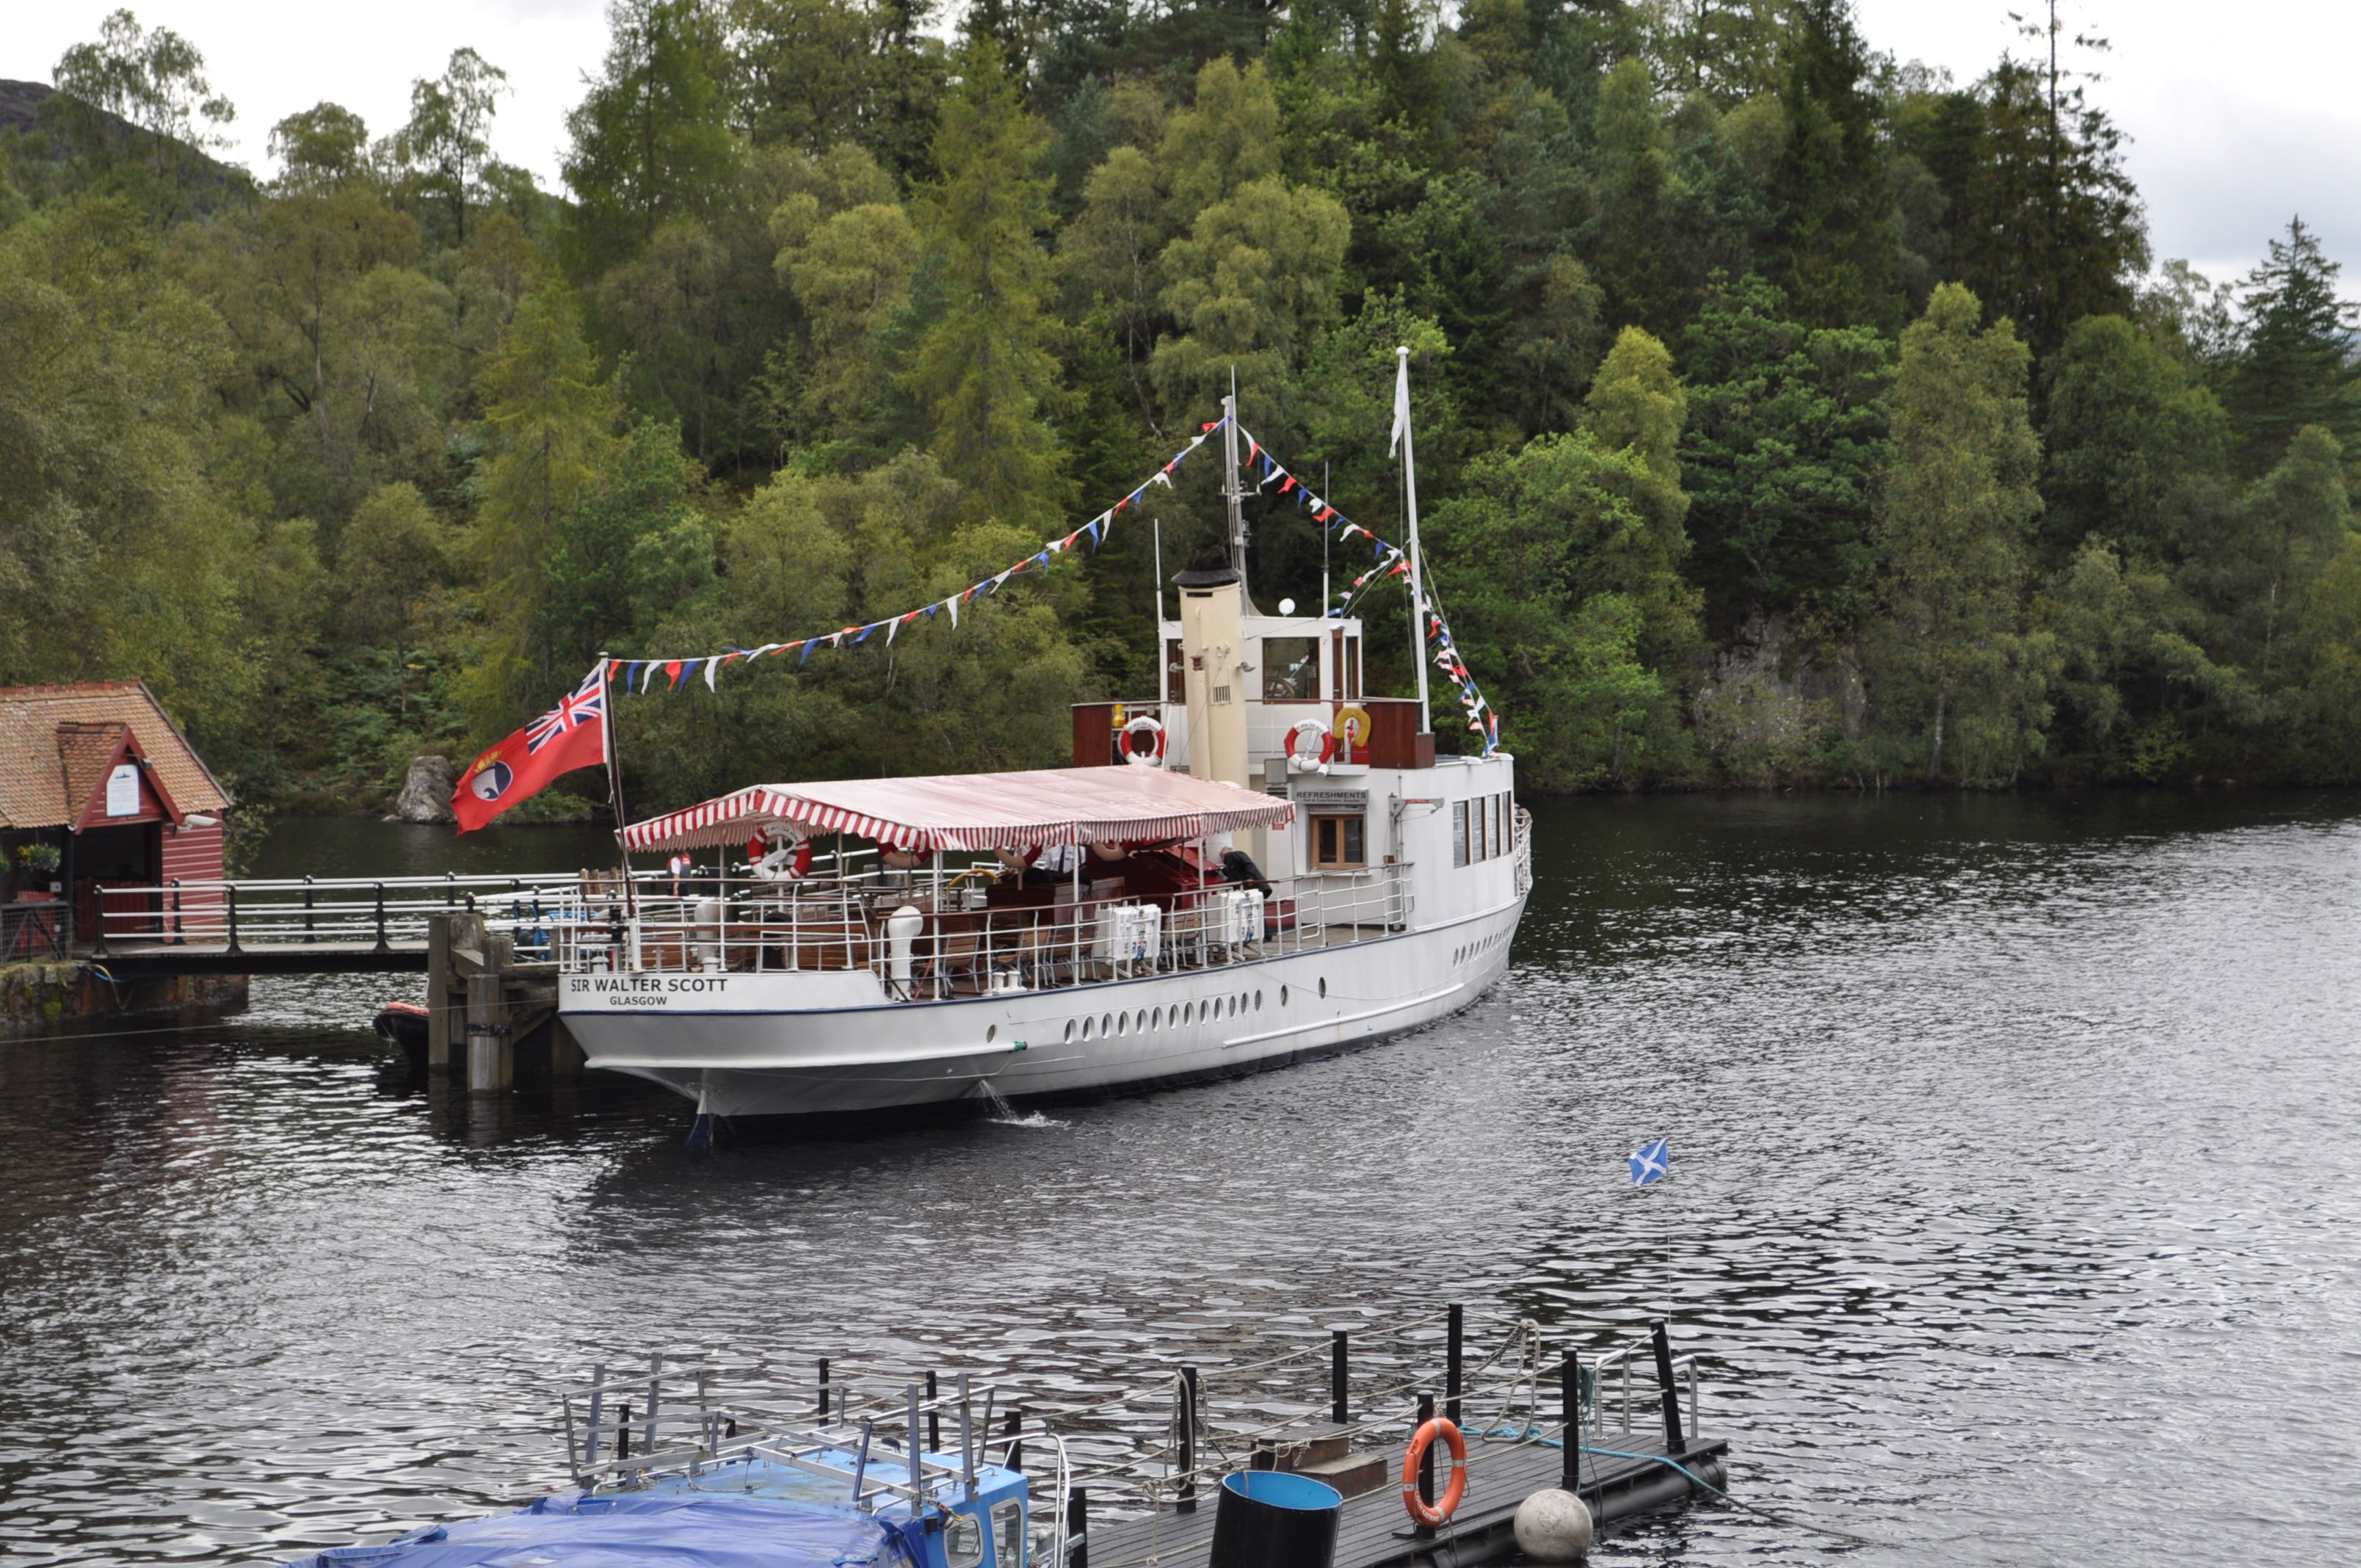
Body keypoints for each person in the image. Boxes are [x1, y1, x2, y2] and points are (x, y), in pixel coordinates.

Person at [994, 843, 1081, 886]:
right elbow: (1048, 867)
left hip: (1068, 881)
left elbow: (1078, 867)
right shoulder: (1052, 850)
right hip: (1053, 881)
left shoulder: (1076, 850)